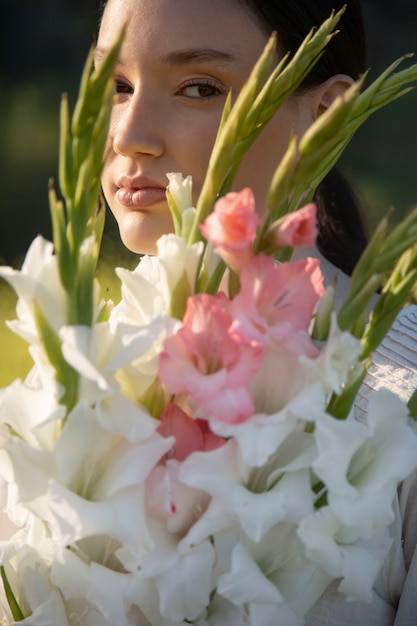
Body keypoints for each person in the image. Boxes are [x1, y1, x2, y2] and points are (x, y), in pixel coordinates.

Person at [96, 1, 417, 624]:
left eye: (198, 88)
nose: (129, 135)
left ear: (324, 116)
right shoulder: (71, 380)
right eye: (117, 86)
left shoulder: (401, 396)